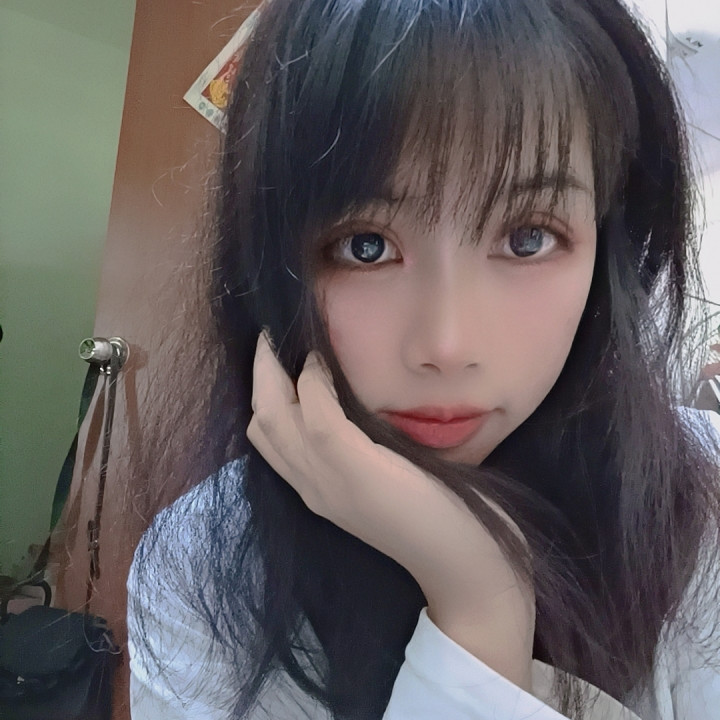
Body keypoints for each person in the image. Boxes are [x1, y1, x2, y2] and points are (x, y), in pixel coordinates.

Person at [127, 0, 720, 718]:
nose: (447, 346)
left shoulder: (707, 502)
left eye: (528, 238)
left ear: (609, 248)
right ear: (271, 265)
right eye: (365, 246)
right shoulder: (197, 564)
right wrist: (480, 606)